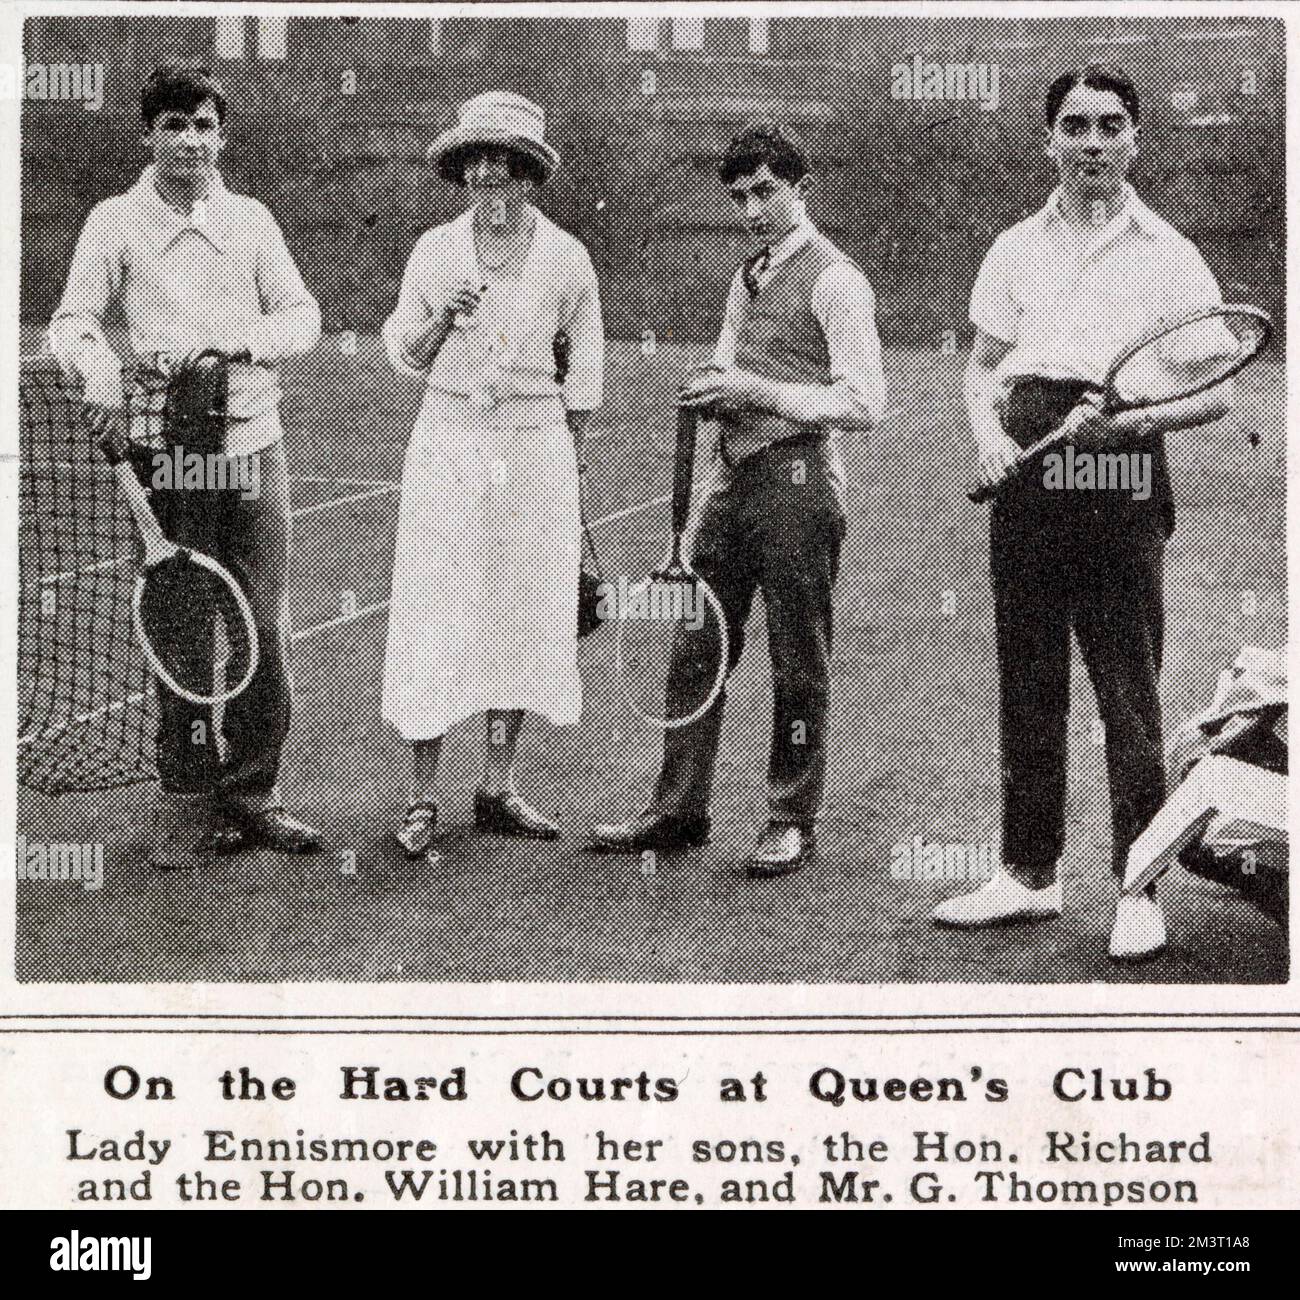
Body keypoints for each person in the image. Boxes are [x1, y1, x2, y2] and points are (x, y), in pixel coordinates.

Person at [931, 65, 1235, 961]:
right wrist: (987, 431)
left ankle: (1139, 886)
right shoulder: (1015, 246)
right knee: (1028, 679)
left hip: (1120, 467)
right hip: (1027, 466)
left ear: (1135, 140)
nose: (1092, 143)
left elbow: (1217, 393)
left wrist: (1137, 418)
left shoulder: (1171, 253)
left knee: (1126, 689)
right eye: (1075, 126)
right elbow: (982, 366)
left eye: (1110, 126)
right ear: (1049, 140)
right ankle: (1028, 877)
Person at [589, 121, 886, 877]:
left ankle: (791, 818)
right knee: (696, 650)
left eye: (766, 192)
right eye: (739, 197)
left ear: (800, 189)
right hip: (733, 482)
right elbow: (727, 363)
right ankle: (677, 809)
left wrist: (755, 390)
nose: (752, 210)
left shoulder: (836, 279)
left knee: (798, 659)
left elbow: (865, 400)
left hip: (799, 483)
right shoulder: (745, 276)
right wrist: (714, 386)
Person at [49, 65, 323, 869]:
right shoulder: (114, 222)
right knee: (178, 632)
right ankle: (186, 799)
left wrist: (242, 344)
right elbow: (72, 321)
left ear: (222, 137)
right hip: (166, 458)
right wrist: (98, 371)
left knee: (261, 628)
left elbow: (302, 316)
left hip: (250, 450)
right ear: (148, 135)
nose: (190, 141)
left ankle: (254, 793)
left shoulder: (251, 222)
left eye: (204, 126)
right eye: (174, 125)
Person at [381, 91, 604, 859]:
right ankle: (420, 797)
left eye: (503, 163)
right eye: (475, 161)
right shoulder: (434, 252)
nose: (487, 176)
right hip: (447, 440)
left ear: (527, 174)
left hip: (533, 448)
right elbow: (405, 354)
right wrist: (443, 316)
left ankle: (498, 785)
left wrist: (566, 471)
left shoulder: (568, 258)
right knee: (438, 609)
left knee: (521, 609)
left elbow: (586, 376)